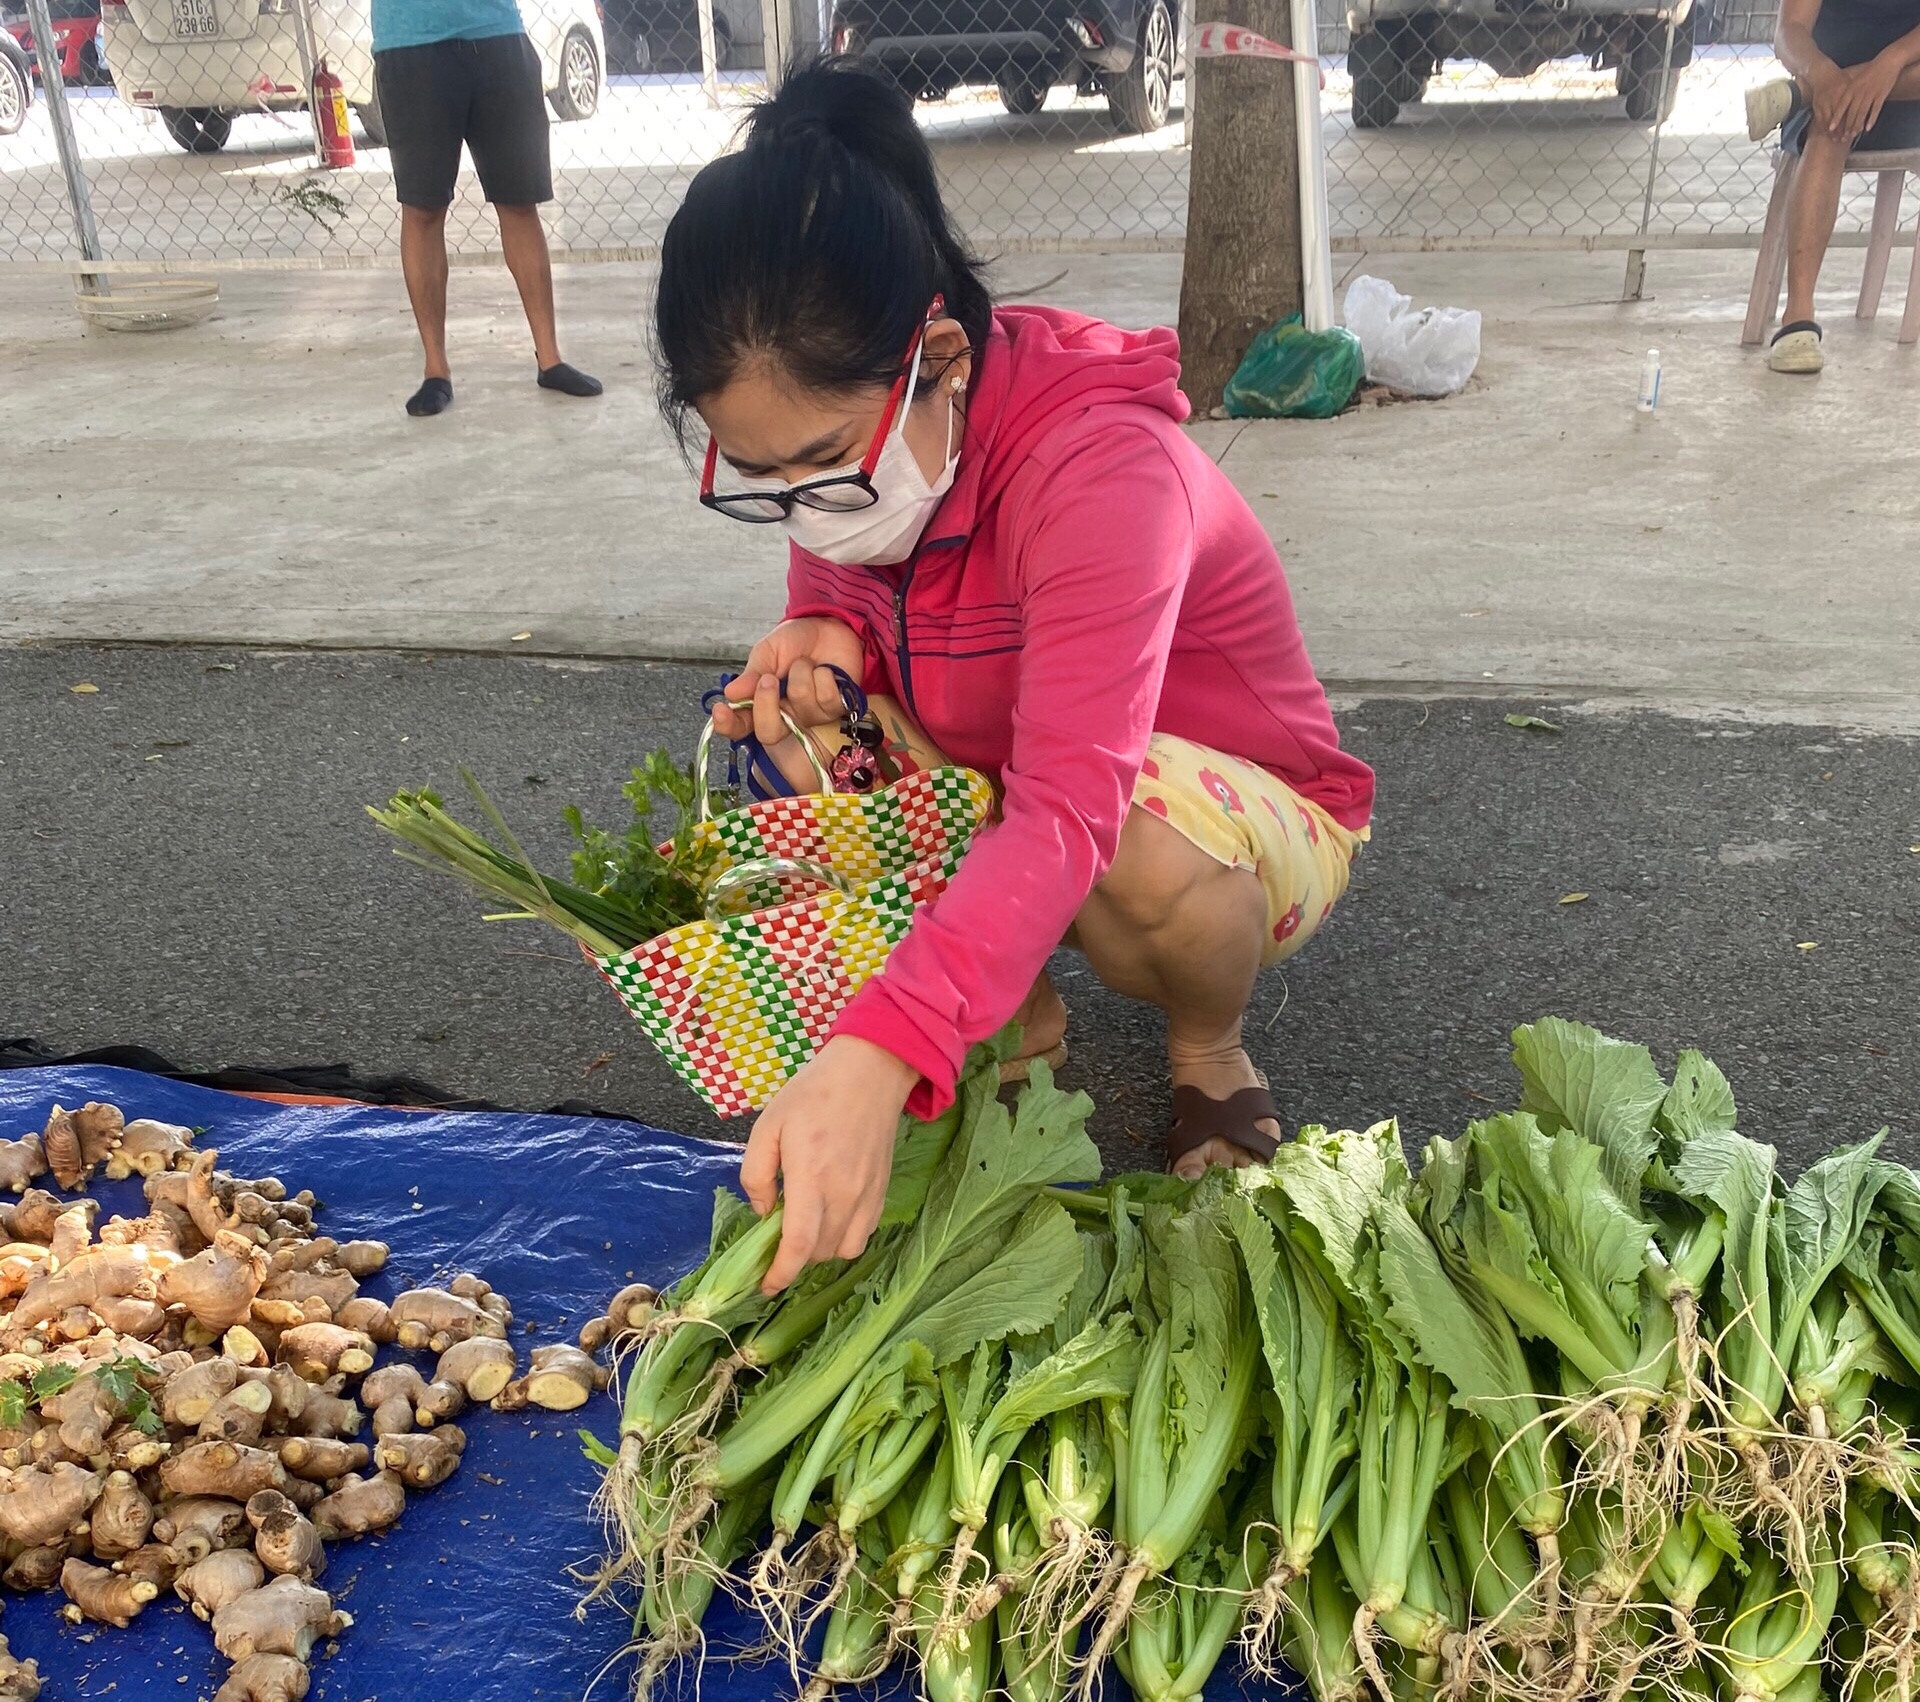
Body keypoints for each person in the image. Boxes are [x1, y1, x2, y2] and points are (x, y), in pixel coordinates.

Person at [654, 58, 1375, 1294]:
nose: (799, 511)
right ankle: (1017, 1014)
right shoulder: (848, 464)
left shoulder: (1099, 469)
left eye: (820, 466)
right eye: (755, 476)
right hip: (1028, 778)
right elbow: (856, 626)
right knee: (799, 739)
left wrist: (880, 1048)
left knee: (1131, 849)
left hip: (1225, 813)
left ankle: (1209, 1049)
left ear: (936, 357)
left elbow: (1067, 810)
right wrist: (824, 659)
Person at [371, 0, 602, 415]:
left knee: (519, 203)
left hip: (498, 36)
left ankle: (550, 359)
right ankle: (435, 369)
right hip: (410, 42)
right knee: (422, 209)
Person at [1746, 0, 1920, 373]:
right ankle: (1798, 314)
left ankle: (1799, 92)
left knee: (1846, 103)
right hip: (1827, 95)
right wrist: (1821, 74)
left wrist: (1888, 63)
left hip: (1909, 89)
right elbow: (1788, 31)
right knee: (1835, 123)